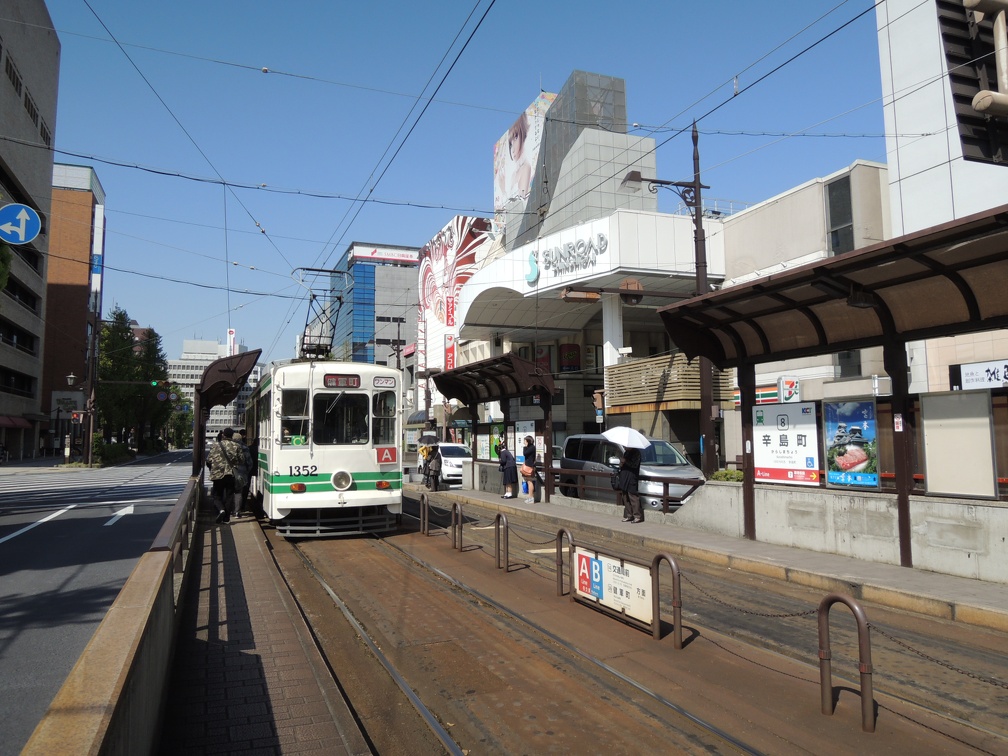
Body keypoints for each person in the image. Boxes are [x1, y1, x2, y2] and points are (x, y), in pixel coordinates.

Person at [206, 427, 242, 524]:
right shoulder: (236, 446)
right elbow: (241, 460)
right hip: (230, 474)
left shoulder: (216, 445)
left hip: (217, 475)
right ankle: (226, 518)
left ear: (223, 435)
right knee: (230, 496)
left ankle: (221, 510)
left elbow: (209, 459)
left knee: (217, 495)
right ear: (232, 435)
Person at [617, 447, 643, 524]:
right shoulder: (626, 452)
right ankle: (629, 515)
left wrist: (626, 461)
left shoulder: (636, 452)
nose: (624, 447)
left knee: (633, 496)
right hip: (624, 476)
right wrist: (621, 463)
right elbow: (621, 465)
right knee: (625, 496)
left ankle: (637, 516)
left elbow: (635, 465)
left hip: (632, 477)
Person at [233, 429, 254, 516]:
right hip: (242, 472)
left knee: (230, 491)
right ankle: (239, 509)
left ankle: (228, 510)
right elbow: (249, 462)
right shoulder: (245, 447)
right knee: (240, 491)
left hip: (229, 472)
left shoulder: (229, 447)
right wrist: (247, 471)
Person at [521, 435, 538, 504]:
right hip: (529, 465)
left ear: (528, 441)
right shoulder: (531, 447)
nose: (524, 442)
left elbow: (525, 453)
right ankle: (530, 497)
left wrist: (525, 447)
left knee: (530, 482)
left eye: (525, 441)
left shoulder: (531, 447)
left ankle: (531, 498)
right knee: (529, 481)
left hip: (529, 466)